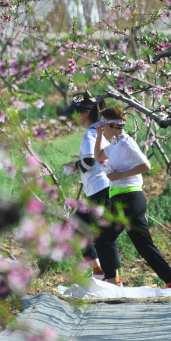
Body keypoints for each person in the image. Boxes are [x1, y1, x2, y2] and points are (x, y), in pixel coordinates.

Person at [92, 106, 171, 290]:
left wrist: (119, 175)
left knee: (103, 237)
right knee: (144, 246)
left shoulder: (126, 143)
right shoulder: (114, 144)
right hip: (126, 200)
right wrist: (98, 135)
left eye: (103, 125)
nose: (102, 128)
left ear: (113, 125)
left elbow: (146, 165)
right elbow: (98, 156)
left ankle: (112, 281)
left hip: (129, 198)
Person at [61, 93, 114, 280]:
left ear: (86, 113)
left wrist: (75, 166)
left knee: (84, 232)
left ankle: (106, 274)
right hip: (100, 188)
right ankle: (102, 272)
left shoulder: (91, 133)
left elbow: (90, 160)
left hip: (100, 188)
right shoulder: (98, 131)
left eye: (76, 112)